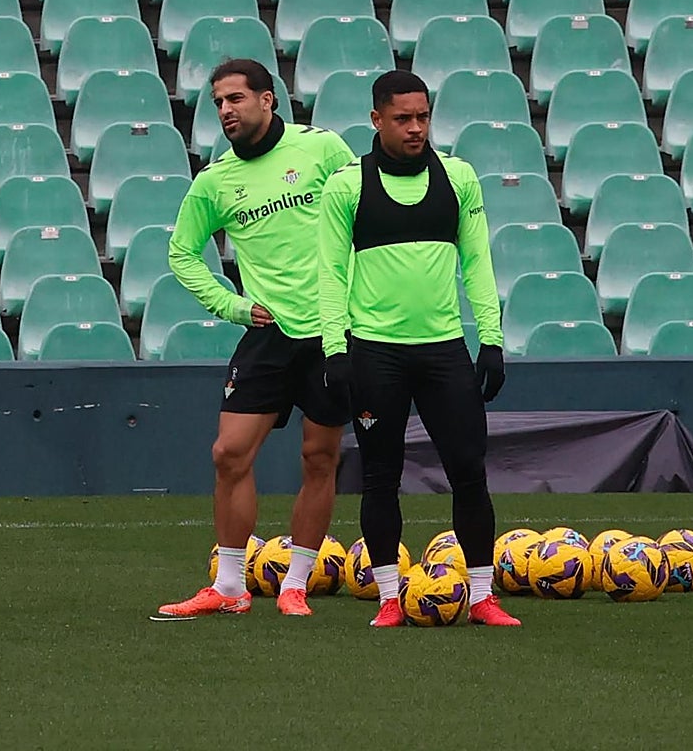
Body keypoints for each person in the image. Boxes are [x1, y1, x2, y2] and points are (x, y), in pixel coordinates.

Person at [317, 70, 520, 627]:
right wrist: (336, 349)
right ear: (376, 119)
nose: (415, 128)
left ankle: (481, 596)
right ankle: (388, 598)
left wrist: (493, 341)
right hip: (375, 353)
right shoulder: (346, 185)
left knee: (469, 472)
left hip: (444, 353)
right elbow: (330, 273)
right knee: (381, 476)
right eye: (403, 118)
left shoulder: (459, 178)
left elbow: (478, 263)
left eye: (423, 117)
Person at [157, 59, 356, 618]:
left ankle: (295, 583)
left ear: (268, 100)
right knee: (228, 455)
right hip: (267, 335)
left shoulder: (322, 150)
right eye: (218, 102)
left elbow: (365, 219)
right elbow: (181, 252)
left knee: (320, 457)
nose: (225, 111)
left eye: (236, 99)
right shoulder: (215, 181)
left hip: (331, 332)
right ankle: (228, 586)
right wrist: (233, 306)